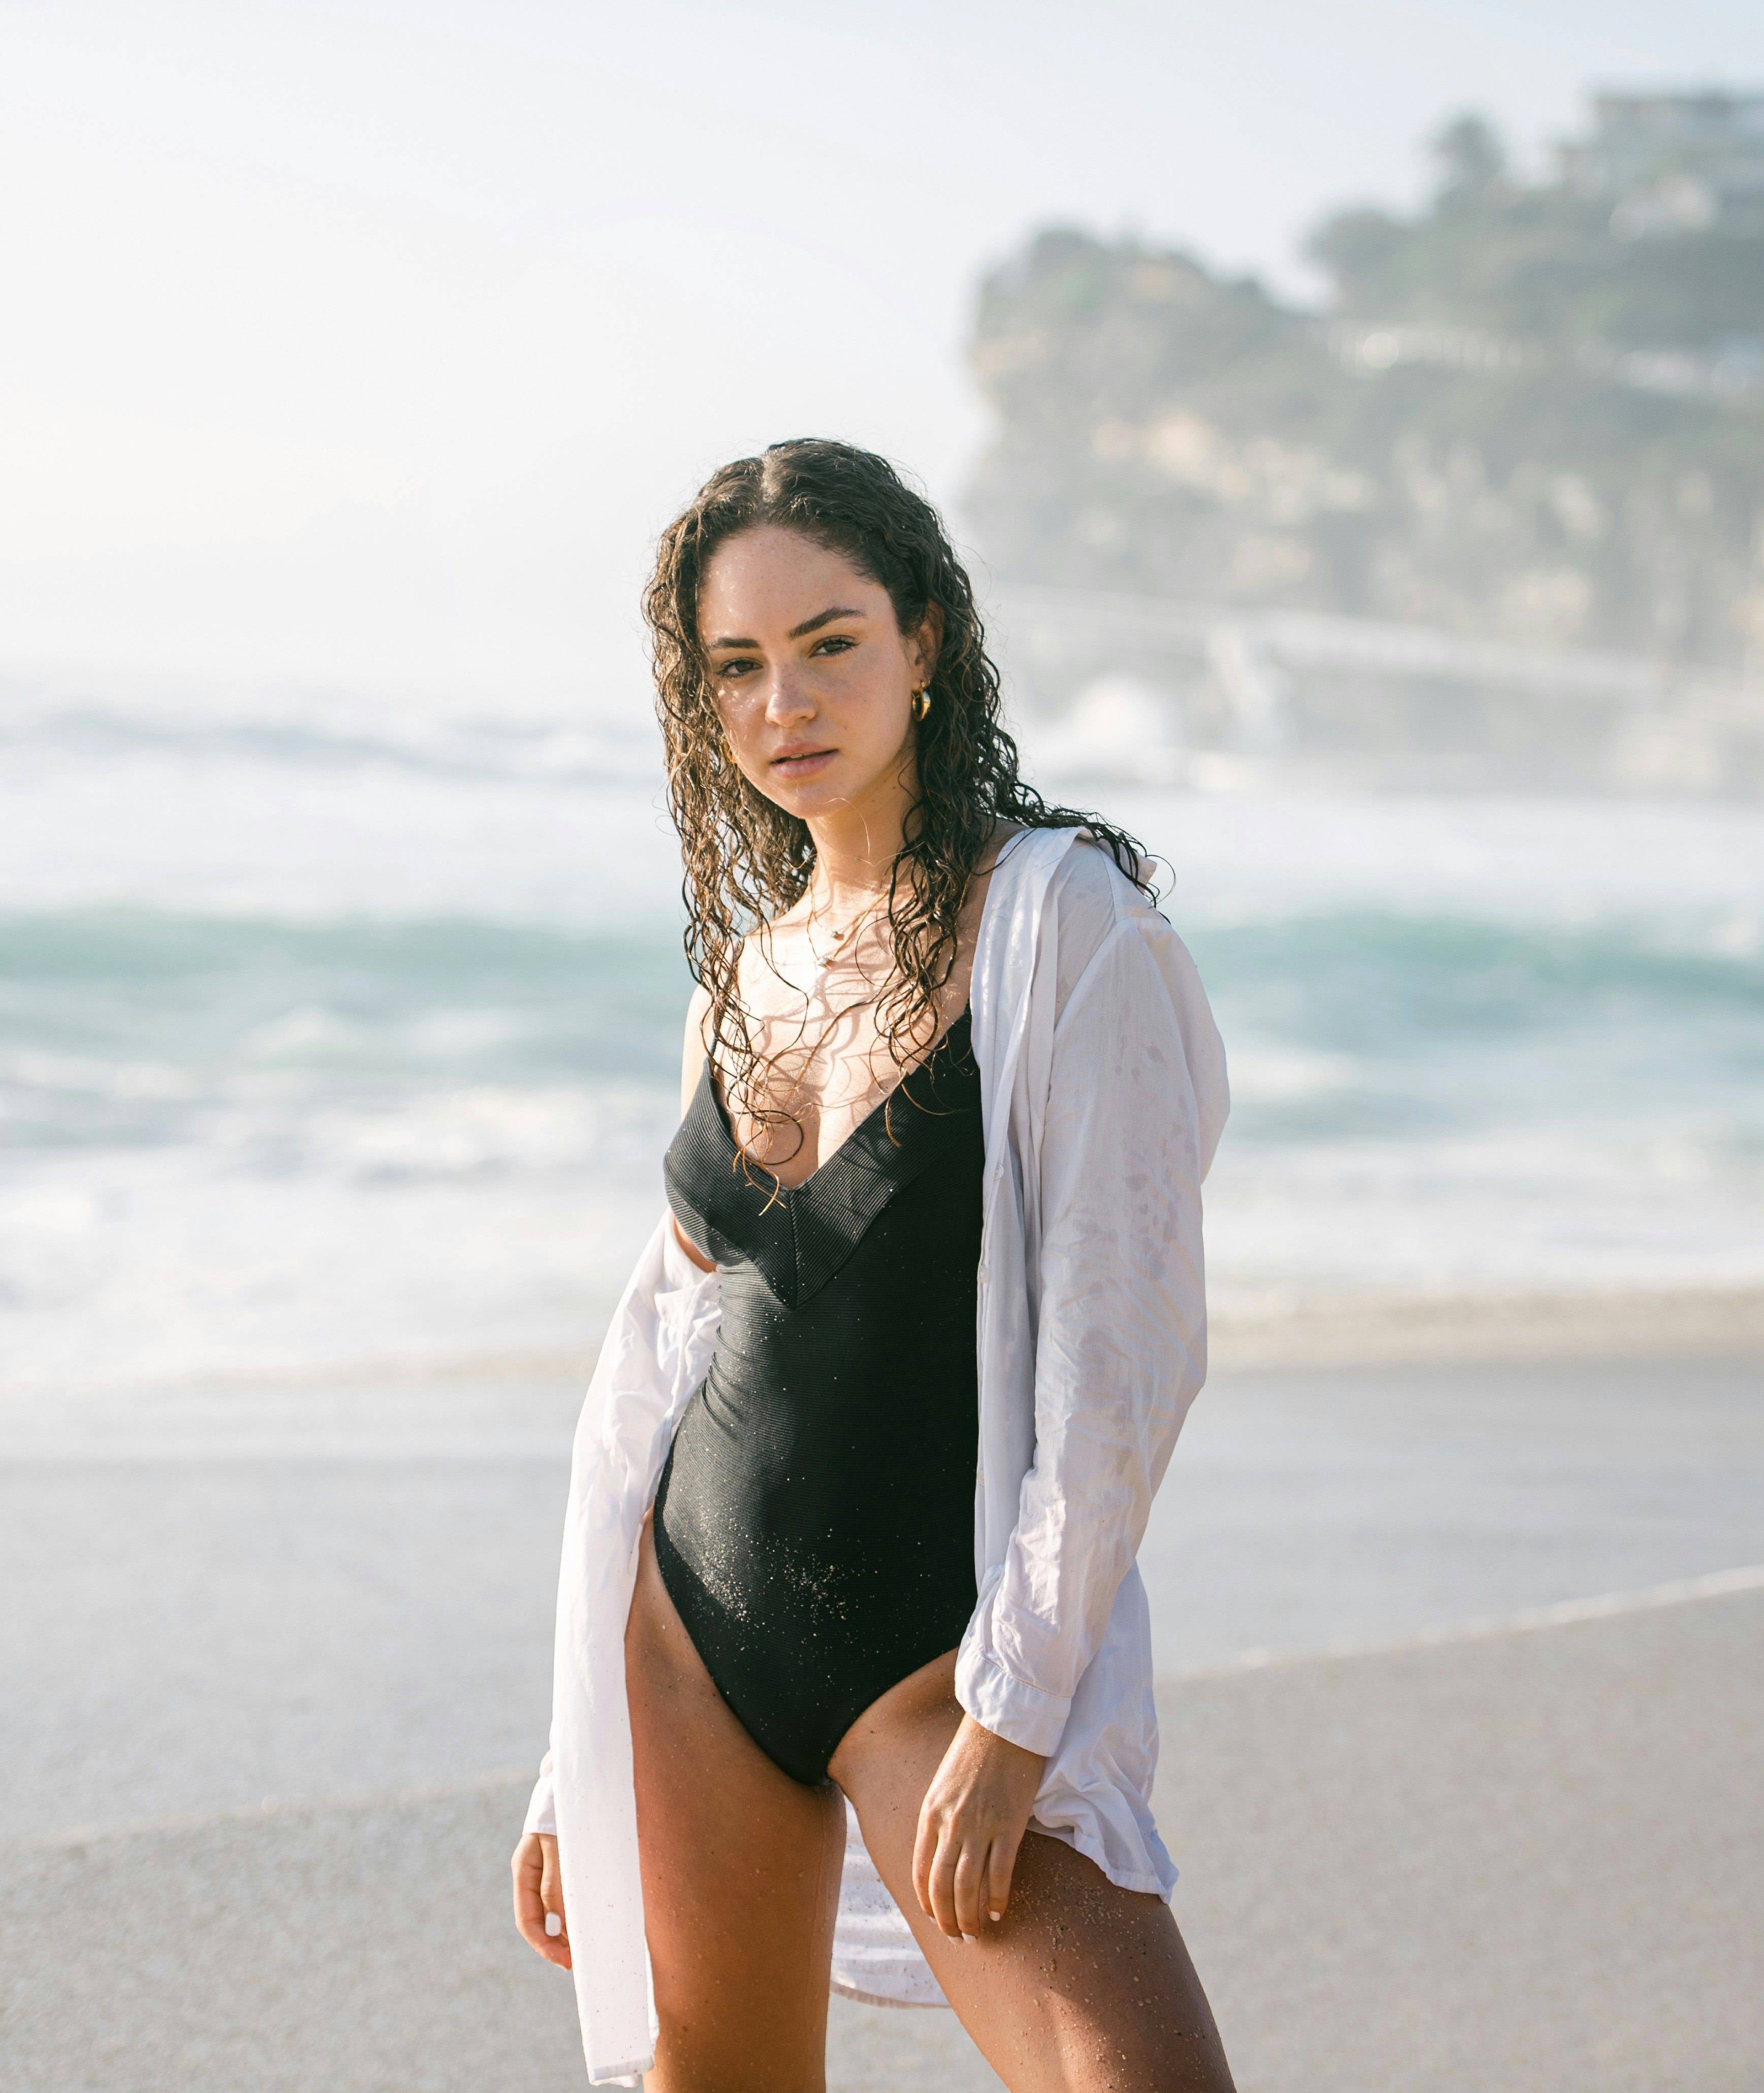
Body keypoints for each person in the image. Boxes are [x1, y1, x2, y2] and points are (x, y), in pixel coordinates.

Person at [510, 438, 1237, 2092]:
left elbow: (1127, 1360)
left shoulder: (1064, 926)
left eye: (831, 643)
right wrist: (574, 1758)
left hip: (932, 1659)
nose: (788, 704)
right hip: (691, 1646)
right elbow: (653, 1375)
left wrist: (1020, 1715)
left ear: (924, 636)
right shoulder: (742, 979)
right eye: (739, 668)